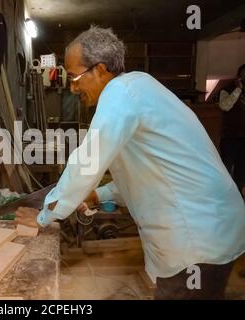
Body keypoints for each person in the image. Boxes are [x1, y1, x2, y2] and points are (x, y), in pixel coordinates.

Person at [14, 26, 245, 300]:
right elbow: (148, 173)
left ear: (100, 69)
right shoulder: (138, 90)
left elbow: (86, 162)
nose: (72, 87)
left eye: (75, 77)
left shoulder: (121, 93)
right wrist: (97, 194)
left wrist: (43, 217)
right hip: (214, 229)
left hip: (197, 239)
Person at [219, 64, 245, 198]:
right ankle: (224, 193)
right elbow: (225, 106)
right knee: (226, 165)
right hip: (231, 135)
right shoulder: (227, 89)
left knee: (242, 168)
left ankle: (238, 192)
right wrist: (238, 90)